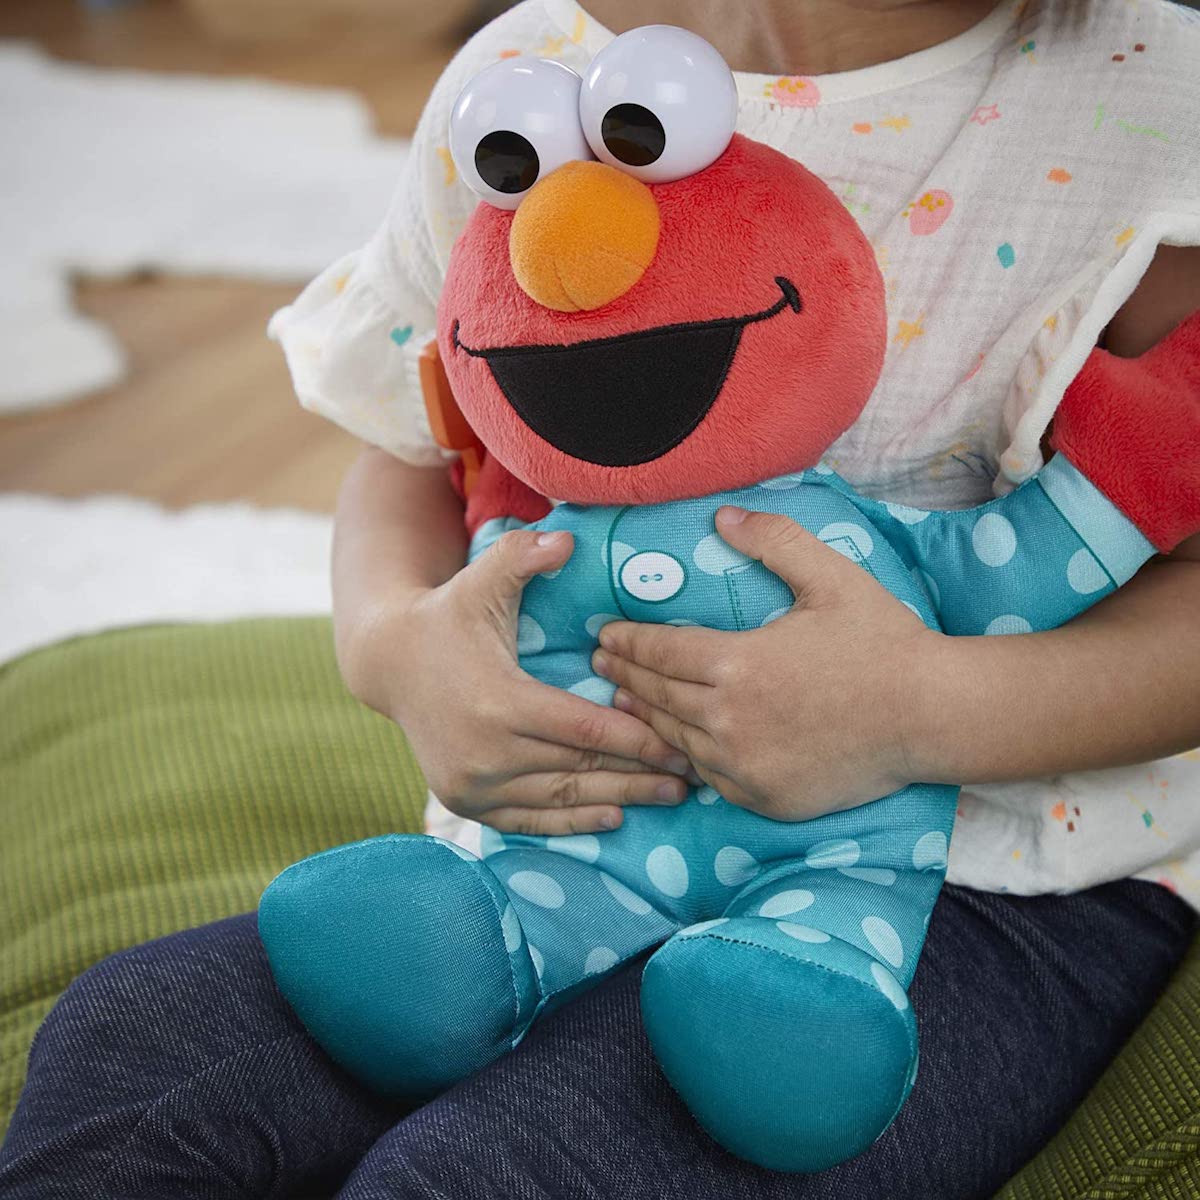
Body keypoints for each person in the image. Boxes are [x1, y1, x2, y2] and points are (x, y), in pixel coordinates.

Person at [2, 1, 1198, 1196]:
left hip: (988, 883)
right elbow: (411, 453)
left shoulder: (1157, 113)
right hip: (558, 851)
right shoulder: (521, 94)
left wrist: (916, 714)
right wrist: (395, 650)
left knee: (495, 1173)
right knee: (136, 1040)